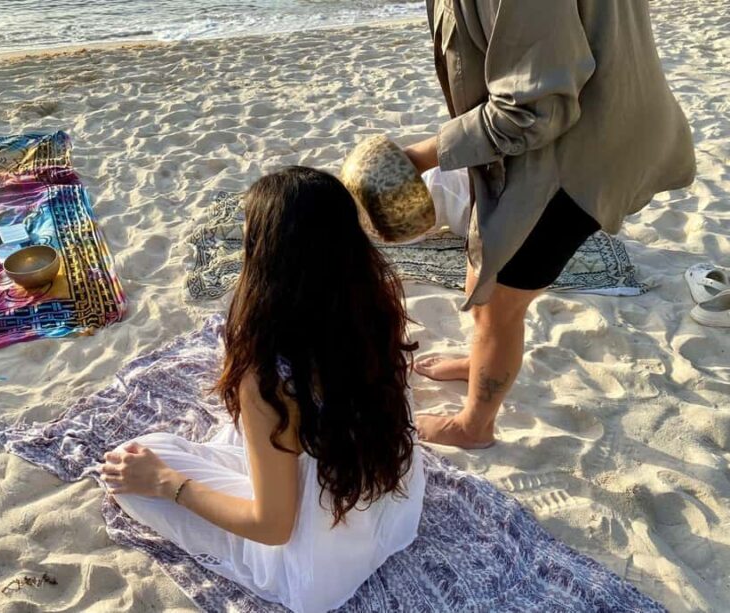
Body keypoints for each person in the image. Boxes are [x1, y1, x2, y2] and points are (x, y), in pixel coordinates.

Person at [99, 167, 425, 613]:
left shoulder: (269, 377)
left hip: (317, 571)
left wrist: (166, 483)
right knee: (252, 443)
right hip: (392, 517)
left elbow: (273, 528)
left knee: (135, 464)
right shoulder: (374, 307)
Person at [403, 0, 696, 449]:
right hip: (579, 124)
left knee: (499, 303)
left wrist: (419, 157)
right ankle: (482, 359)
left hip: (583, 153)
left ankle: (474, 426)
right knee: (484, 278)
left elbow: (535, 110)